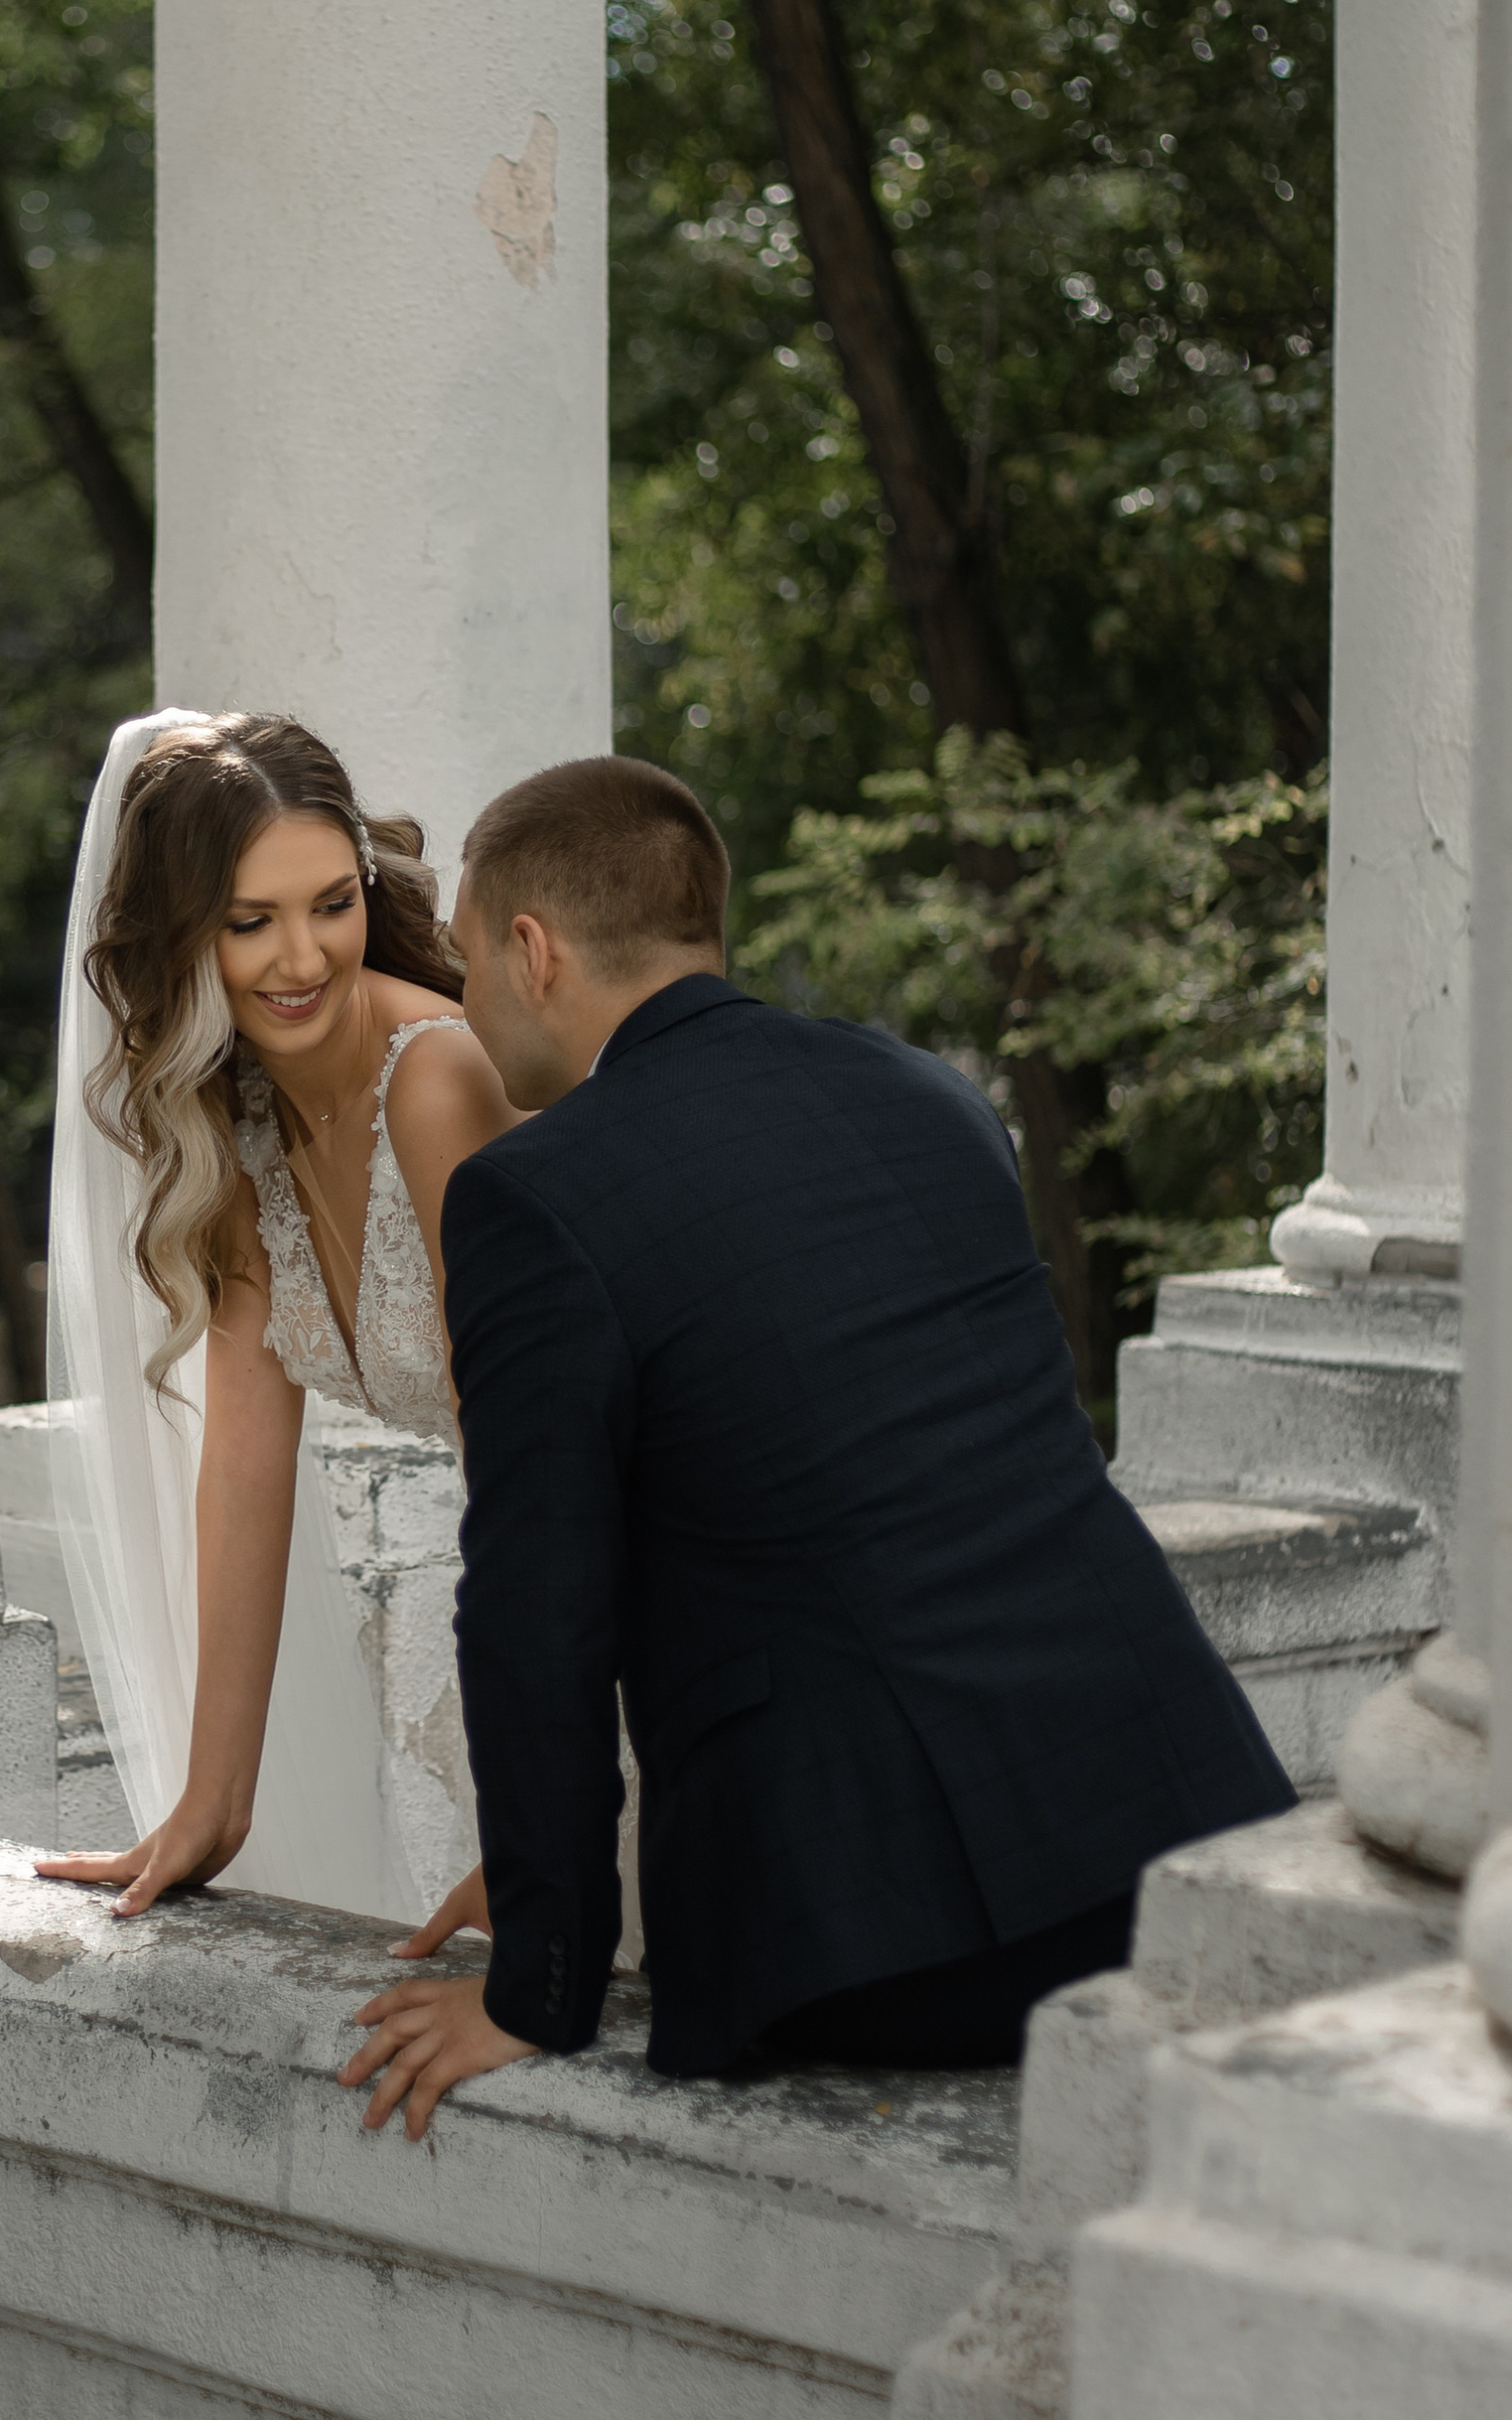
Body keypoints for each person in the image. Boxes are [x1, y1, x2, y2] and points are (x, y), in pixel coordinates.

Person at [343, 754, 1295, 2141]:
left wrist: (537, 1984)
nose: (467, 1003)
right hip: (1188, 1838)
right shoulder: (932, 1097)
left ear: (534, 953)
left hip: (890, 1935)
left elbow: (537, 1614)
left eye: (474, 960)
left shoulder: (530, 1200)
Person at [36, 710, 516, 1922]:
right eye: (250, 923)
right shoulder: (242, 1123)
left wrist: (540, 1820)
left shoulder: (438, 1078)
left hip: (655, 1583)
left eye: (331, 902)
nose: (303, 959)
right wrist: (214, 1800)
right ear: (181, 940)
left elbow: (530, 1465)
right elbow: (246, 1465)